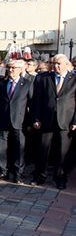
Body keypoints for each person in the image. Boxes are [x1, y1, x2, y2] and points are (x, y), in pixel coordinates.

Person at [30, 54, 76, 189]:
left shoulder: (74, 79)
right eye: (54, 64)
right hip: (46, 120)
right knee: (43, 149)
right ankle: (40, 176)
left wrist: (75, 121)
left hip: (66, 120)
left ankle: (60, 177)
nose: (56, 66)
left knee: (62, 152)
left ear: (67, 64)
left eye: (59, 64)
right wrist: (36, 118)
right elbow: (36, 100)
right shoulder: (44, 78)